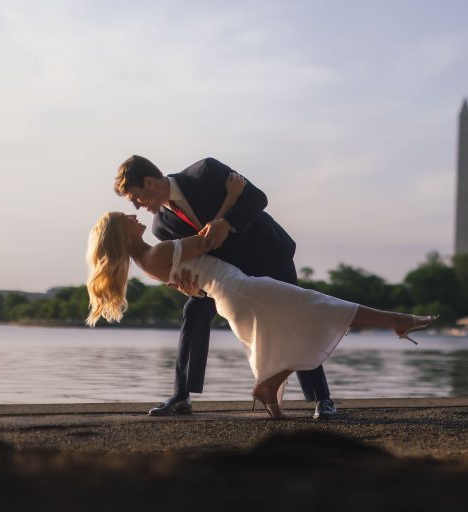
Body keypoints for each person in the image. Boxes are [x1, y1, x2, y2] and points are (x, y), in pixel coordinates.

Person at [85, 212, 437, 419]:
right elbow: (210, 239)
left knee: (304, 326)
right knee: (320, 307)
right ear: (123, 235)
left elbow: (193, 282)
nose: (134, 217)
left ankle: (268, 386)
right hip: (241, 290)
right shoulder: (158, 250)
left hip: (232, 296)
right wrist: (229, 202)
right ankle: (397, 319)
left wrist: (193, 287)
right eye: (126, 219)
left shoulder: (149, 264)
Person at [113, 155, 339, 419]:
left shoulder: (204, 172)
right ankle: (180, 397)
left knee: (295, 320)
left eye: (135, 199)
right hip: (224, 277)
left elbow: (257, 198)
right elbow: (194, 258)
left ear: (149, 182)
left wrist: (227, 221)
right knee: (193, 311)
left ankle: (322, 399)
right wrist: (189, 286)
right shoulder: (161, 226)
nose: (138, 207)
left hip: (268, 255)